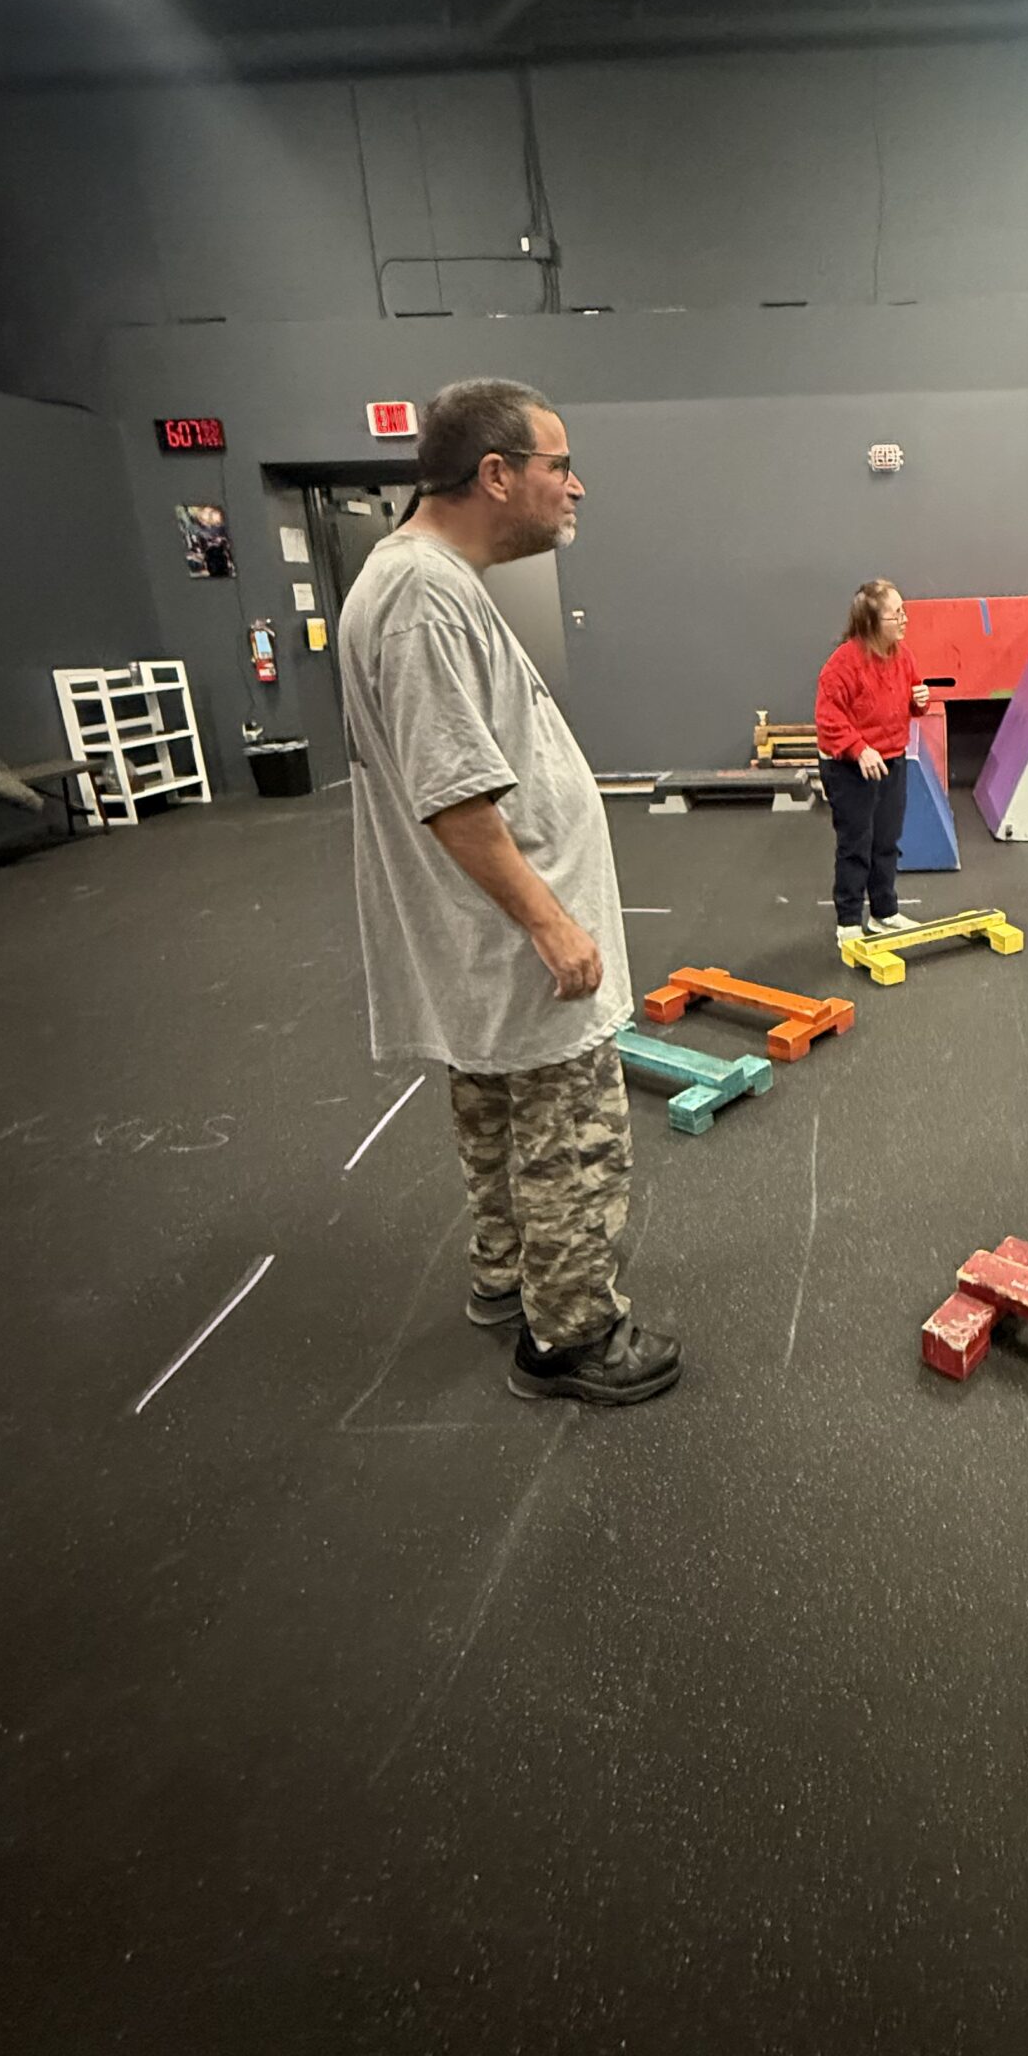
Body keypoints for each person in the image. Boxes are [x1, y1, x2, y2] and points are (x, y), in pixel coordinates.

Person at [337, 377, 680, 1405]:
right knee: (569, 1140)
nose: (577, 486)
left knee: (495, 1120)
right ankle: (571, 1336)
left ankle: (507, 1281)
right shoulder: (420, 595)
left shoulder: (420, 581)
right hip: (519, 949)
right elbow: (452, 794)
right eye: (559, 465)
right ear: (495, 473)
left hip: (490, 948)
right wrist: (551, 922)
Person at [814, 580, 930, 951]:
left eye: (904, 611)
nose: (904, 619)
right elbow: (828, 718)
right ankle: (849, 921)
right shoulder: (842, 664)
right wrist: (859, 748)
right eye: (896, 614)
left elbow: (909, 700)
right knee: (856, 844)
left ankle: (884, 912)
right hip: (850, 768)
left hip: (892, 760)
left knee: (886, 841)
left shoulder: (903, 656)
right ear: (871, 622)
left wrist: (920, 701)